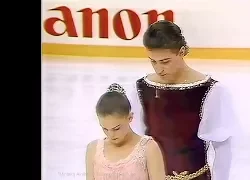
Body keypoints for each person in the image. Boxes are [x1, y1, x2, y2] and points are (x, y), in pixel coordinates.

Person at [129, 20, 239, 180]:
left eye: (165, 61)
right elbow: (136, 143)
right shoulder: (141, 88)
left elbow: (222, 147)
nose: (159, 69)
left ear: (181, 52)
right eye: (153, 61)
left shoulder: (210, 91)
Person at [85, 83, 166, 180]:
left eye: (116, 128)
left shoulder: (149, 148)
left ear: (130, 117)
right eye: (105, 129)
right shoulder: (93, 149)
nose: (111, 135)